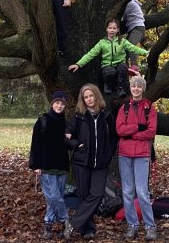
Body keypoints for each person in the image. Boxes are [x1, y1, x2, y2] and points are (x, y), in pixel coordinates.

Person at [63, 84, 117, 241]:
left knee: (97, 194)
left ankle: (72, 223)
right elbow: (66, 136)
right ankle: (88, 229)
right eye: (85, 97)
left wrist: (108, 154)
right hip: (81, 162)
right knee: (83, 196)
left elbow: (114, 138)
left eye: (91, 96)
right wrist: (76, 144)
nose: (89, 99)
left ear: (96, 96)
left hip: (101, 163)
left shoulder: (106, 116)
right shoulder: (79, 116)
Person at [116, 75, 158, 241]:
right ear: (130, 88)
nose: (136, 89)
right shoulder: (124, 108)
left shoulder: (150, 108)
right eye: (133, 86)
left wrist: (131, 134)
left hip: (142, 154)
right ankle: (132, 225)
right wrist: (137, 127)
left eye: (139, 86)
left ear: (143, 89)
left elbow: (151, 132)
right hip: (124, 154)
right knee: (127, 191)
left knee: (142, 192)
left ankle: (150, 226)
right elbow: (119, 129)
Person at [28, 90, 71, 239]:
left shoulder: (65, 123)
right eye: (57, 103)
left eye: (62, 104)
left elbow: (69, 145)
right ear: (52, 103)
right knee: (54, 197)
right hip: (46, 166)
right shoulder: (43, 120)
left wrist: (70, 137)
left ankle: (48, 223)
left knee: (56, 198)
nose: (59, 106)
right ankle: (66, 220)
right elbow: (35, 143)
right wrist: (35, 165)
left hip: (62, 166)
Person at [68, 19, 148, 98]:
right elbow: (90, 54)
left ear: (118, 30)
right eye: (110, 28)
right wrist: (78, 64)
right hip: (107, 66)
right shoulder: (102, 42)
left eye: (114, 28)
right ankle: (108, 85)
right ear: (107, 29)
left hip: (119, 65)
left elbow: (134, 48)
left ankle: (121, 89)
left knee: (123, 67)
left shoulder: (122, 41)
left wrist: (146, 53)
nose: (112, 30)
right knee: (110, 71)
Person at [122, 0, 146, 70]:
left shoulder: (129, 3)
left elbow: (122, 17)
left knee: (131, 45)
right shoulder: (133, 2)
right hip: (134, 28)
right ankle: (125, 67)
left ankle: (134, 66)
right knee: (125, 48)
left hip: (137, 28)